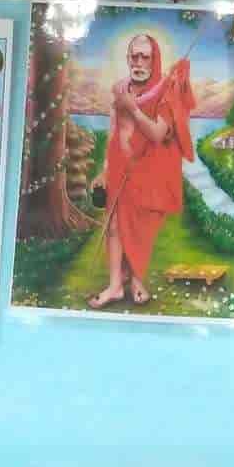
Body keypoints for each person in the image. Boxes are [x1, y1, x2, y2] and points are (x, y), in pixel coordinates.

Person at [87, 31, 195, 309]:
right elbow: (114, 131)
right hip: (120, 166)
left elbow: (158, 133)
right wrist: (105, 169)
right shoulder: (120, 89)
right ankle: (115, 286)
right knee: (114, 225)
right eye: (134, 56)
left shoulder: (167, 91)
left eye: (144, 57)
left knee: (141, 230)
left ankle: (136, 281)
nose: (138, 62)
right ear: (127, 58)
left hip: (150, 170)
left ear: (154, 59)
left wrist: (132, 109)